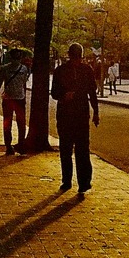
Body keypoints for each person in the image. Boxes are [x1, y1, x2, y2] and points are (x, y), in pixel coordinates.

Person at [51, 42, 99, 195]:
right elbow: (54, 93)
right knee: (66, 149)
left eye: (78, 58)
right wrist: (64, 95)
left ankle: (84, 182)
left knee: (82, 149)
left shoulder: (86, 70)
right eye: (74, 57)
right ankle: (67, 180)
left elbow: (92, 92)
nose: (76, 60)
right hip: (66, 114)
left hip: (81, 115)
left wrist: (96, 112)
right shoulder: (60, 71)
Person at [0, 48, 29, 155]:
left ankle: (21, 145)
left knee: (21, 124)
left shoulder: (24, 69)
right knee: (7, 124)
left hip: (19, 99)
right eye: (15, 57)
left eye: (18, 57)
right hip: (8, 99)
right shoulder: (5, 69)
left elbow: (24, 84)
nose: (17, 59)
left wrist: (24, 97)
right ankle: (8, 146)